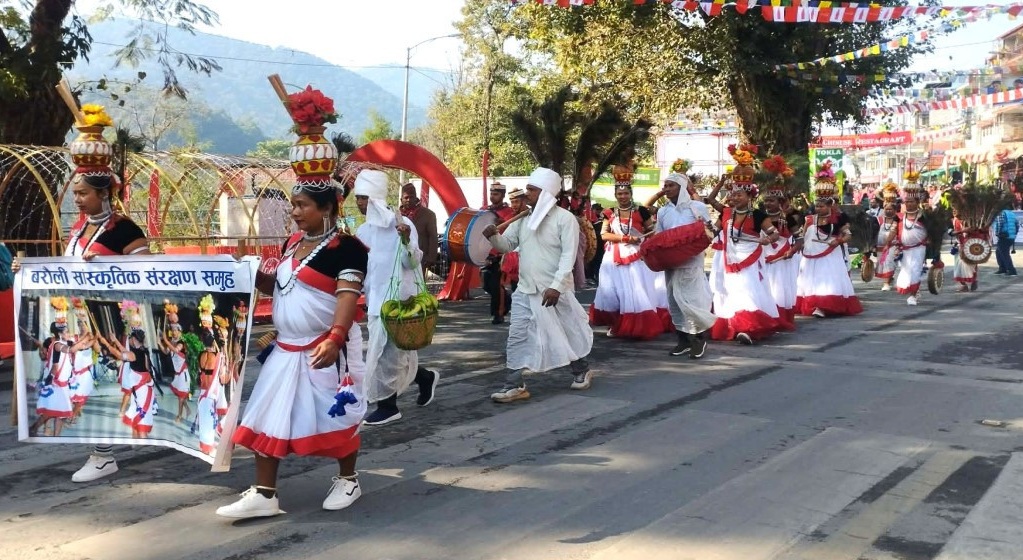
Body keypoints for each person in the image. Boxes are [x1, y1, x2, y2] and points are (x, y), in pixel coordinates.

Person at [217, 175, 369, 519]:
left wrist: (335, 337)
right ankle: (265, 494)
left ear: (327, 207)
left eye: (302, 205)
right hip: (286, 349)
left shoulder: (348, 248)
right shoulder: (293, 242)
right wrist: (251, 271)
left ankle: (348, 479)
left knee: (334, 416)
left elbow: (348, 295)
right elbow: (282, 288)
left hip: (325, 348)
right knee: (267, 414)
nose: (294, 211)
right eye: (294, 203)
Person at [13, 170, 150, 483]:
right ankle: (102, 450)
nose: (77, 200)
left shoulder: (124, 229)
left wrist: (106, 267)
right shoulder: (79, 228)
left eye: (83, 193)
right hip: (80, 317)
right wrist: (26, 271)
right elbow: (65, 270)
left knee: (101, 386)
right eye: (75, 194)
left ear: (104, 194)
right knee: (85, 384)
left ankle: (103, 455)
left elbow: (147, 268)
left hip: (108, 320)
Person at [483, 167, 594, 403]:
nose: (527, 195)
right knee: (517, 336)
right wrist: (492, 236)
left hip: (555, 290)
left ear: (545, 193)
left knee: (564, 332)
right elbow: (507, 245)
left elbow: (568, 256)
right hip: (525, 289)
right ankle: (514, 384)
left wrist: (556, 286)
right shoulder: (523, 218)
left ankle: (581, 369)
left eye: (532, 190)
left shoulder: (565, 220)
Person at [355, 170, 437, 426]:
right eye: (357, 198)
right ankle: (424, 378)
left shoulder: (403, 224)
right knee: (394, 354)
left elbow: (412, 262)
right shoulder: (363, 231)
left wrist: (405, 240)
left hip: (401, 301)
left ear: (376, 198)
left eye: (364, 198)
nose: (359, 203)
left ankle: (388, 405)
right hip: (375, 301)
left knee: (384, 355)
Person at [589, 165, 673, 340]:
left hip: (636, 257)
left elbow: (651, 232)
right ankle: (615, 323)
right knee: (613, 292)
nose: (623, 196)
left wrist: (646, 244)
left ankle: (637, 326)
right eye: (619, 194)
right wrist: (626, 239)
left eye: (626, 193)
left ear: (631, 194)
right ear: (615, 195)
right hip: (613, 256)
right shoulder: (609, 213)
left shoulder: (641, 211)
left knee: (636, 291)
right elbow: (604, 235)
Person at [653, 173, 717, 357]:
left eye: (671, 185)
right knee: (674, 300)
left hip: (691, 261)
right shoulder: (663, 211)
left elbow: (708, 230)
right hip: (671, 263)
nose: (666, 189)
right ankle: (683, 341)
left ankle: (698, 339)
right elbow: (660, 235)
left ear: (681, 187)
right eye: (665, 185)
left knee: (691, 300)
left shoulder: (697, 207)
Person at [709, 182, 781, 344]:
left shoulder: (758, 215)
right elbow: (713, 231)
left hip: (750, 259)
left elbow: (774, 233)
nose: (735, 198)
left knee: (747, 290)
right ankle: (733, 326)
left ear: (750, 197)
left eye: (739, 195)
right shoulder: (726, 213)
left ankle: (747, 328)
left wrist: (768, 239)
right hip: (728, 259)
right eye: (733, 194)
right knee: (730, 292)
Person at [795, 162, 863, 318]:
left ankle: (824, 306)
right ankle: (814, 305)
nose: (818, 209)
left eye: (822, 206)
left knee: (826, 280)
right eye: (817, 206)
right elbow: (804, 236)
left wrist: (838, 241)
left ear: (830, 205)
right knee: (811, 280)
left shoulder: (838, 218)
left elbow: (848, 235)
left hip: (830, 257)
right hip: (811, 258)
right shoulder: (810, 219)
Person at [761, 182, 802, 330]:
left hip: (782, 260)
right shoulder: (760, 218)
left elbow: (800, 239)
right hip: (763, 259)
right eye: (766, 200)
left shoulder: (788, 219)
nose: (768, 203)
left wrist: (792, 250)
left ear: (780, 202)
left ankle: (780, 318)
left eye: (772, 200)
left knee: (779, 289)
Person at [884, 182, 929, 305]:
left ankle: (913, 295)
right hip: (905, 249)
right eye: (906, 202)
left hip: (919, 248)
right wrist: (887, 242)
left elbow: (932, 231)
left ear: (917, 202)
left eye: (911, 202)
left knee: (915, 270)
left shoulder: (924, 216)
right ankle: (915, 289)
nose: (908, 204)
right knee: (906, 271)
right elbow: (893, 230)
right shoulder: (899, 217)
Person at [482, 182, 517, 324]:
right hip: (486, 253)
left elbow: (512, 231)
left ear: (502, 196)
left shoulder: (510, 212)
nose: (492, 196)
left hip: (500, 254)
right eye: (491, 193)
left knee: (497, 285)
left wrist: (503, 222)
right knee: (486, 284)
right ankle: (507, 300)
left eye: (496, 194)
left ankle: (499, 313)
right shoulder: (484, 210)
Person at [400, 183, 438, 278]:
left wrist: (431, 258)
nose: (408, 200)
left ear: (416, 198)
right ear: (401, 199)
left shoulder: (428, 215)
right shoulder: (396, 215)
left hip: (421, 258)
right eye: (406, 197)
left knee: (418, 287)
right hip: (400, 258)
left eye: (411, 197)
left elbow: (433, 237)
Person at [874, 202, 901, 291]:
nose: (888, 211)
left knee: (888, 262)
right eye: (886, 209)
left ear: (895, 210)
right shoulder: (879, 220)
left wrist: (888, 243)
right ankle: (889, 279)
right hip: (879, 246)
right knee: (881, 264)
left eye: (890, 209)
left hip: (892, 245)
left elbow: (895, 232)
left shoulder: (897, 221)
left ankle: (886, 284)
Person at [951, 208, 979, 292]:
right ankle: (964, 285)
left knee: (971, 265)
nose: (954, 211)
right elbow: (954, 232)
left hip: (970, 245)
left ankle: (974, 281)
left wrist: (960, 232)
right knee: (958, 267)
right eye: (953, 210)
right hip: (959, 245)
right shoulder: (955, 220)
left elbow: (974, 229)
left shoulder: (970, 219)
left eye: (956, 209)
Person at [993, 207, 1019, 276]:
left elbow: (999, 223)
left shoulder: (1001, 213)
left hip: (1004, 236)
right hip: (1011, 237)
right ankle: (1002, 268)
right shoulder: (1012, 214)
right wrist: (1014, 234)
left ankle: (1011, 270)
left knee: (1004, 253)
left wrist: (997, 233)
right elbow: (1017, 225)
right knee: (998, 252)